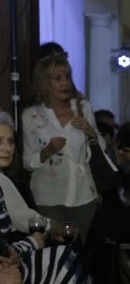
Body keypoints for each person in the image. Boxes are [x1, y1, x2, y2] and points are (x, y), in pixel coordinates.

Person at [21, 54, 106, 240]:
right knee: (54, 250)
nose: (65, 83)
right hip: (48, 196)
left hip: (83, 195)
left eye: (67, 76)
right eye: (57, 78)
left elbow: (101, 148)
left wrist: (90, 131)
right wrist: (47, 151)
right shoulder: (31, 116)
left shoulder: (83, 108)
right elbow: (27, 162)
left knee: (78, 249)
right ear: (44, 82)